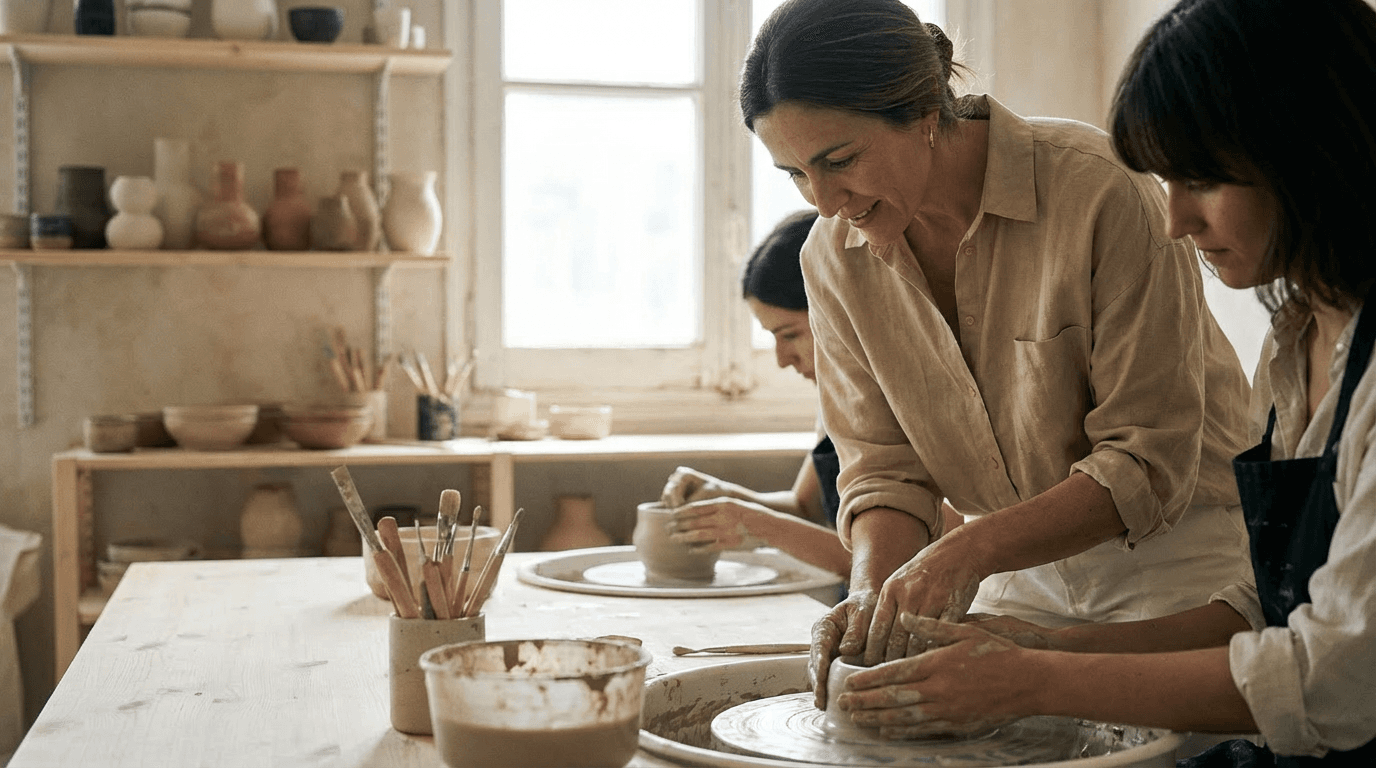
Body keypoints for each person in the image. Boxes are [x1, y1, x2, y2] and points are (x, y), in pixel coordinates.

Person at [829, 0, 1376, 763]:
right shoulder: (1297, 343)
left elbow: (1338, 682)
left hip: (1194, 577)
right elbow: (1268, 610)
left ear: (1314, 153)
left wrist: (1033, 677)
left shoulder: (1092, 189)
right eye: (794, 172)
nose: (1178, 220)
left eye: (1204, 179)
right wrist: (1041, 645)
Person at [739, 0, 1262, 711]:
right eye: (795, 175)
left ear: (925, 110)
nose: (825, 202)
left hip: (1178, 567)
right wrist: (871, 600)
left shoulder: (1097, 189)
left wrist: (967, 551)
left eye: (840, 161)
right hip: (1014, 576)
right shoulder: (833, 260)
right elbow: (884, 474)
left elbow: (1147, 458)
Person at [660, 210, 852, 578]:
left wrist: (754, 523)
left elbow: (900, 566)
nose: (781, 360)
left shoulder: (912, 403)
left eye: (790, 334)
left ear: (842, 313)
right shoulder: (835, 398)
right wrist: (725, 496)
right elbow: (805, 510)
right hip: (856, 603)